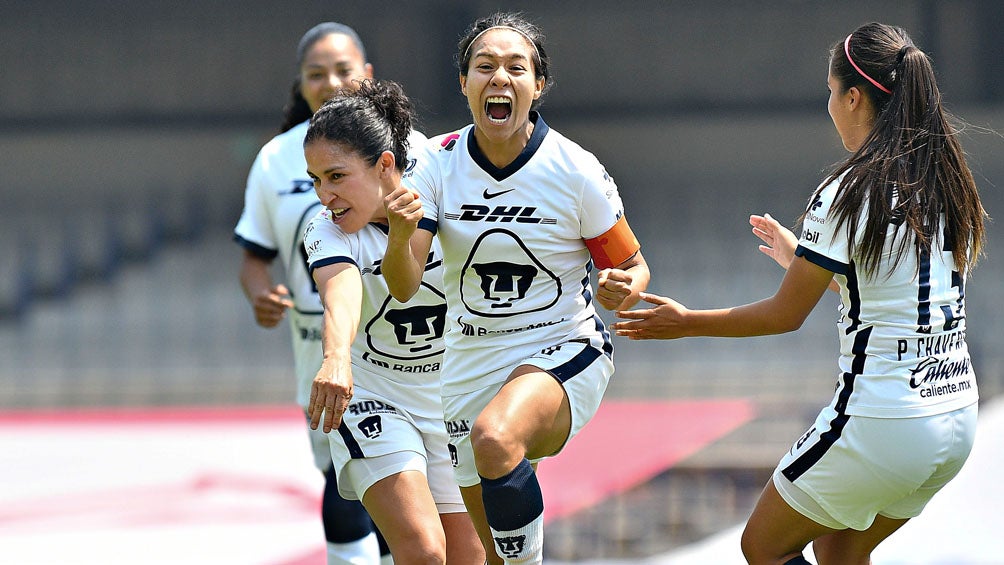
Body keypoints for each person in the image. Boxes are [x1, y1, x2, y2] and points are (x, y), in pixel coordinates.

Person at [612, 22, 987, 565]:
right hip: (954, 420)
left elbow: (785, 316)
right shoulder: (942, 177)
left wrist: (686, 320)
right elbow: (894, 290)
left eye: (831, 92)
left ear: (854, 97)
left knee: (761, 545)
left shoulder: (848, 190)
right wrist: (804, 260)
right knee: (837, 552)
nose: (829, 104)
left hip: (885, 421)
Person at [379, 12, 650, 564]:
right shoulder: (435, 161)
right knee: (493, 554)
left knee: (496, 438)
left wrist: (624, 287)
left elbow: (634, 264)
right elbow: (404, 287)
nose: (499, 77)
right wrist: (402, 231)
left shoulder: (575, 170)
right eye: (484, 66)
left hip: (563, 349)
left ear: (538, 84)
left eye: (515, 67)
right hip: (465, 369)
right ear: (464, 83)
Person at [302, 79, 484, 564]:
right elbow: (340, 292)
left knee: (471, 557)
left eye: (336, 176)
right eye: (315, 179)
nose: (325, 195)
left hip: (453, 398)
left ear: (385, 165)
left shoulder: (441, 176)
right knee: (424, 551)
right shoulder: (324, 229)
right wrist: (336, 359)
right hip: (373, 396)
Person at [233, 22, 392, 564]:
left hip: (402, 341)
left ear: (366, 75)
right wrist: (261, 294)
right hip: (317, 346)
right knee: (344, 473)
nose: (331, 82)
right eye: (316, 74)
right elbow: (254, 258)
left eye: (343, 70)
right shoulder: (276, 160)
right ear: (300, 85)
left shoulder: (406, 151)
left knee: (402, 469)